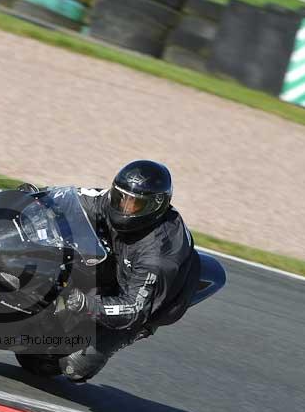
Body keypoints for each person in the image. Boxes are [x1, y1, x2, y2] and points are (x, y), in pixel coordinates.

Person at [53, 160, 201, 382]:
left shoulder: (157, 256)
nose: (123, 207)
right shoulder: (112, 202)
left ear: (155, 206)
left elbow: (133, 308)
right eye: (120, 197)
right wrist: (37, 199)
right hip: (119, 260)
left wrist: (88, 304)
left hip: (145, 304)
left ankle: (126, 335)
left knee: (74, 367)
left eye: (134, 204)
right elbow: (76, 198)